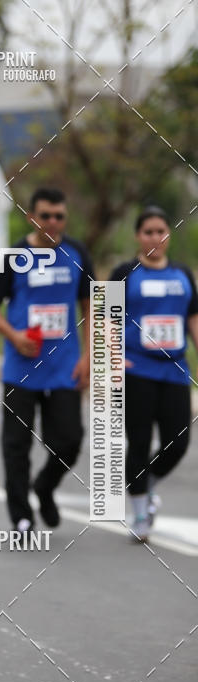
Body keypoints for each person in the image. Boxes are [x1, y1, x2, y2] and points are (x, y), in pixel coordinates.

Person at [0, 187, 95, 534]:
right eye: (45, 215)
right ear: (32, 217)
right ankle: (21, 517)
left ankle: (44, 487)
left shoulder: (77, 253)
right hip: (22, 369)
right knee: (16, 447)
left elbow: (89, 305)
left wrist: (89, 356)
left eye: (59, 216)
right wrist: (14, 336)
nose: (52, 222)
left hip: (64, 367)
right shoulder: (16, 255)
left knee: (70, 440)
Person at [109, 206, 198, 542]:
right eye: (148, 232)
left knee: (178, 442)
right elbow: (107, 320)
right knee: (140, 441)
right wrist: (115, 360)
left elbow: (193, 320)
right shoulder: (124, 273)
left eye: (161, 231)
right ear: (138, 235)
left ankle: (148, 482)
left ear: (168, 235)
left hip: (175, 369)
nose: (155, 238)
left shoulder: (182, 274)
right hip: (138, 369)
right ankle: (141, 514)